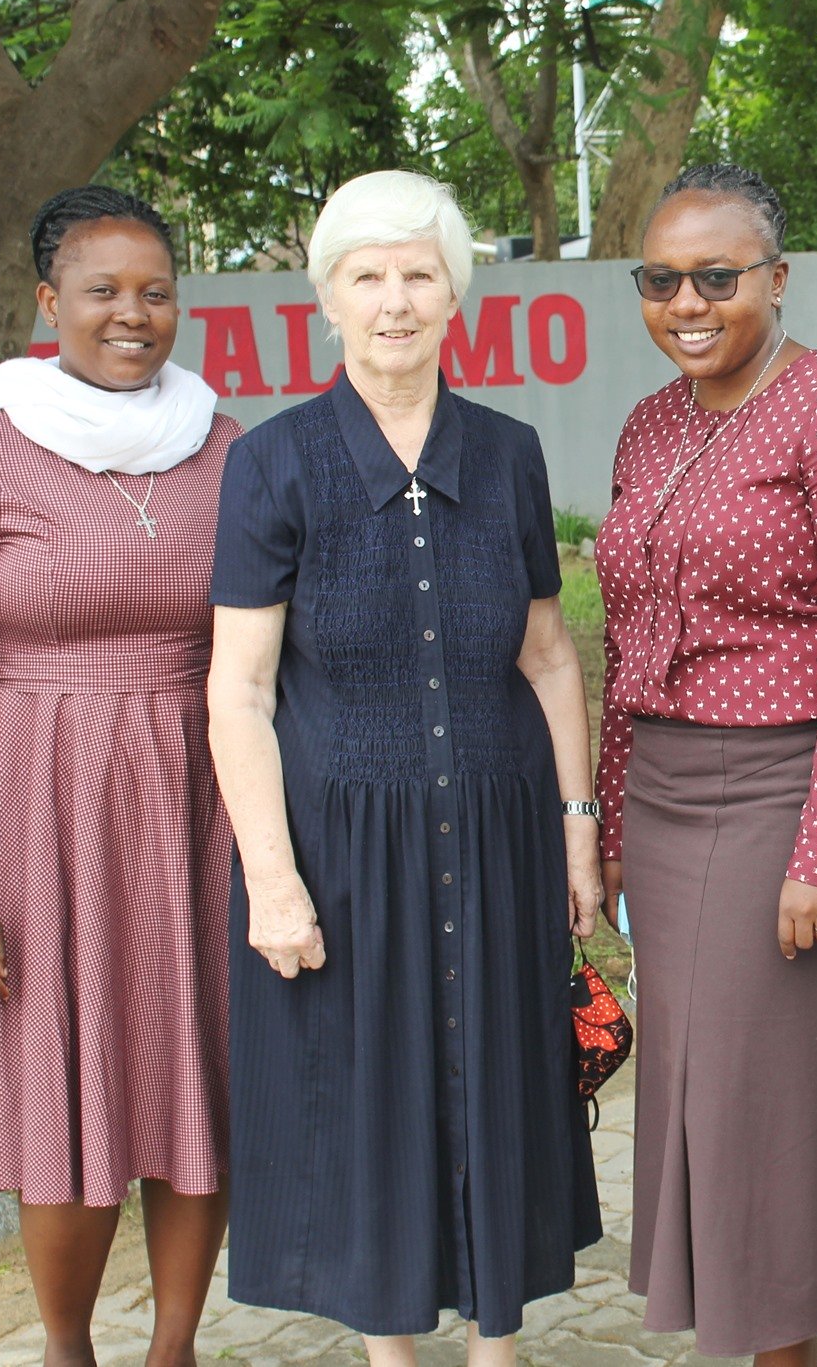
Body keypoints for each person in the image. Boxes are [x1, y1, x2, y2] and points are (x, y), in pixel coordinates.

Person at [205, 170, 602, 1365]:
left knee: (499, 1071)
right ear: (327, 298)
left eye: (418, 273)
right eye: (367, 276)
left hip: (498, 829)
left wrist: (578, 830)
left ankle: (497, 1337)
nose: (394, 299)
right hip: (338, 844)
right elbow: (238, 688)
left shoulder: (511, 453)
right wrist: (273, 880)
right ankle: (389, 1345)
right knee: (369, 1094)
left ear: (453, 295)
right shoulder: (271, 462)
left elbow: (545, 654)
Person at [0, 185, 236, 1367]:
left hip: (204, 802)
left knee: (202, 1074)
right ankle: (67, 1347)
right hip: (41, 806)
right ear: (50, 302)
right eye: (102, 290)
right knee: (67, 1084)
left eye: (154, 291)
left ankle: (175, 1345)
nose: (132, 314)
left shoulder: (225, 445)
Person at [593, 162, 817, 1366]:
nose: (688, 301)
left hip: (790, 789)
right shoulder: (649, 423)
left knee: (748, 1110)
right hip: (671, 798)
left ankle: (777, 1342)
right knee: (700, 1101)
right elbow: (629, 640)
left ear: (775, 280)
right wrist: (611, 826)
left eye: (717, 277)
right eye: (662, 278)